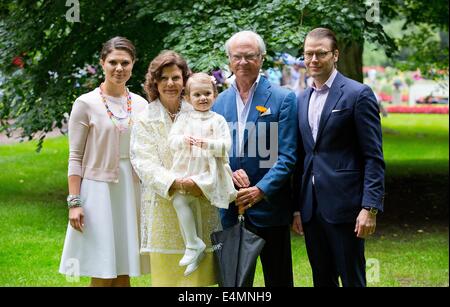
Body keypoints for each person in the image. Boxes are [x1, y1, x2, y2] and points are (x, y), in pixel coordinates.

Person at [293, 27, 385, 287]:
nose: (313, 59)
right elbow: (303, 157)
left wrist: (370, 207)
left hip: (346, 207)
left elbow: (373, 157)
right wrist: (298, 208)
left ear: (335, 55)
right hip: (311, 210)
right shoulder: (301, 99)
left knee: (353, 278)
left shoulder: (358, 94)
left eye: (320, 53)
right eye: (308, 54)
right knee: (322, 279)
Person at [59, 37, 150, 287]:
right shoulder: (85, 104)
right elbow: (75, 157)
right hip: (98, 191)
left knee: (124, 268)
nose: (119, 68)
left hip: (131, 190)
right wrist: (74, 202)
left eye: (125, 63)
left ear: (133, 65)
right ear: (102, 63)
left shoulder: (141, 105)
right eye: (113, 62)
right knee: (103, 268)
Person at [212, 31, 298, 287]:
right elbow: (215, 154)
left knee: (278, 279)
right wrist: (228, 174)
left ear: (261, 59)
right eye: (237, 57)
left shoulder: (283, 98)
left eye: (250, 56)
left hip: (270, 207)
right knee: (233, 284)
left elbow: (287, 155)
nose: (243, 62)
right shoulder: (219, 103)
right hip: (230, 207)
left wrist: (260, 190)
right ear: (229, 61)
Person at [129, 51, 221, 286]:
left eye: (176, 78)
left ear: (184, 81)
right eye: (164, 78)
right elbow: (142, 161)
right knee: (169, 280)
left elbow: (217, 153)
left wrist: (201, 182)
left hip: (201, 199)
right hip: (164, 207)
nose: (170, 83)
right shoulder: (145, 118)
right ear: (155, 82)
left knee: (199, 283)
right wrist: (177, 183)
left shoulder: (201, 112)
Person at [168, 72, 237, 276]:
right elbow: (172, 141)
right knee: (180, 201)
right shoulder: (183, 119)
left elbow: (226, 146)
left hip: (208, 171)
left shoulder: (218, 120)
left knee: (187, 201)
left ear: (215, 94)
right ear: (187, 98)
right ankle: (193, 245)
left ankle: (195, 246)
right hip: (188, 168)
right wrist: (184, 140)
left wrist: (205, 144)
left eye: (207, 93)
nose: (203, 98)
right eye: (197, 95)